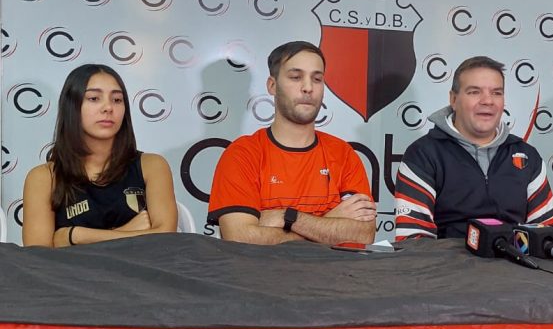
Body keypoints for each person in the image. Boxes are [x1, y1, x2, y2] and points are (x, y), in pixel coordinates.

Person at [207, 41, 376, 245]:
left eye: (317, 79)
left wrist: (286, 217)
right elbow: (241, 238)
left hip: (335, 275)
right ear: (272, 85)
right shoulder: (242, 154)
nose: (307, 88)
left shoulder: (343, 154)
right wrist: (328, 223)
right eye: (296, 77)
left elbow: (364, 234)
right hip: (262, 276)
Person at [394, 56, 553, 239]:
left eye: (496, 93)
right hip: (447, 266)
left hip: (516, 266)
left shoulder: (528, 157)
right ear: (454, 99)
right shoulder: (422, 155)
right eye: (474, 92)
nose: (487, 101)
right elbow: (414, 242)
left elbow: (548, 236)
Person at [22, 64, 178, 247]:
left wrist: (75, 236)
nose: (108, 108)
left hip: (142, 273)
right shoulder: (43, 178)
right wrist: (129, 231)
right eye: (94, 98)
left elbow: (165, 238)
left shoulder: (152, 166)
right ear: (72, 106)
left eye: (117, 100)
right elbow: (37, 257)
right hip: (70, 276)